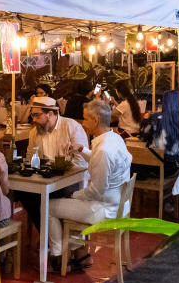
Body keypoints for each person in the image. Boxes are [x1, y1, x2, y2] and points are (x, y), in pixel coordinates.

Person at [47, 100, 131, 270]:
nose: (82, 123)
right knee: (70, 203)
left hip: (104, 209)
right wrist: (81, 150)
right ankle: (77, 252)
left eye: (85, 119)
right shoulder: (115, 138)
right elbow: (99, 160)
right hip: (119, 204)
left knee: (48, 206)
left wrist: (73, 196)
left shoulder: (103, 151)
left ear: (96, 120)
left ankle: (59, 255)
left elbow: (96, 191)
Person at [16, 96, 90, 228]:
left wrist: (59, 172)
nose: (33, 120)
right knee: (23, 193)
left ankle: (52, 235)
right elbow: (30, 157)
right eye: (32, 115)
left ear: (50, 114)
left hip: (71, 180)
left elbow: (81, 163)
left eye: (37, 115)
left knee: (48, 196)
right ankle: (48, 234)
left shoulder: (71, 127)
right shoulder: (35, 132)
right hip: (44, 180)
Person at [136, 90, 179, 178]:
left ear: (164, 102)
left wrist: (146, 120)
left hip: (156, 166)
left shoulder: (154, 118)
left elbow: (143, 137)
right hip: (175, 168)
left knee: (133, 164)